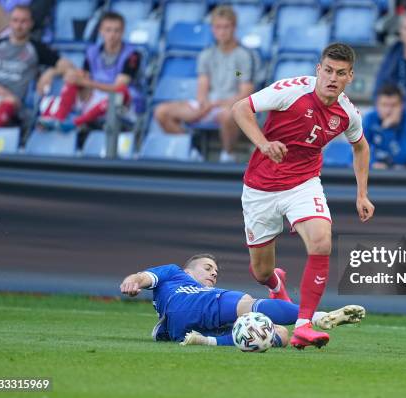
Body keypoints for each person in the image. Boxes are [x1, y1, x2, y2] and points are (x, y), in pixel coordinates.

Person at [231, 43, 375, 349]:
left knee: (322, 241)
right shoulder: (291, 90)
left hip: (303, 183)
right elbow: (240, 108)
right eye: (327, 70)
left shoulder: (347, 112)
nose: (332, 78)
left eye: (340, 73)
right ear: (318, 70)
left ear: (350, 77)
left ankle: (303, 325)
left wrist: (362, 194)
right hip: (260, 187)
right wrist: (263, 143)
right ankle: (276, 283)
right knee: (261, 272)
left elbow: (361, 146)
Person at [119, 253, 366, 347]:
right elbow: (142, 276)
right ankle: (316, 317)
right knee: (247, 303)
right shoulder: (174, 273)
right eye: (207, 268)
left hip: (183, 329)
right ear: (188, 271)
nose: (213, 273)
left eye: (216, 270)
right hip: (199, 306)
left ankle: (206, 342)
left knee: (278, 333)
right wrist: (132, 282)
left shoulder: (209, 289)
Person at [154, 6, 254, 163]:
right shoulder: (206, 55)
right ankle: (192, 150)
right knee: (162, 112)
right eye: (218, 27)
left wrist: (216, 104)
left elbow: (245, 91)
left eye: (226, 27)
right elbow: (203, 84)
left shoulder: (244, 56)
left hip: (229, 105)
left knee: (228, 115)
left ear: (234, 28)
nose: (222, 31)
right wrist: (202, 103)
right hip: (209, 104)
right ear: (212, 29)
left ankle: (227, 155)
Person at [38, 11, 142, 133]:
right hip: (96, 95)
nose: (112, 35)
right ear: (101, 31)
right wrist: (76, 78)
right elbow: (85, 76)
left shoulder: (132, 55)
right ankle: (58, 119)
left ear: (123, 31)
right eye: (108, 30)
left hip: (124, 103)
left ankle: (75, 123)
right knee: (72, 80)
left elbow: (118, 87)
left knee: (120, 92)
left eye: (116, 30)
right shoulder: (92, 51)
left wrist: (88, 83)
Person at [0, 5, 71, 126]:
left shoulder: (36, 48)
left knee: (9, 102)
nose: (19, 25)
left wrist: (50, 73)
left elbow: (67, 65)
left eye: (23, 21)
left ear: (31, 23)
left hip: (11, 102)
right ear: (9, 22)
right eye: (15, 20)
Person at [363, 84, 406, 169]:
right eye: (384, 105)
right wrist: (372, 163)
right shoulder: (369, 119)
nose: (388, 110)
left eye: (394, 105)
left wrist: (387, 130)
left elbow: (404, 158)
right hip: (376, 172)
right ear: (377, 106)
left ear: (402, 106)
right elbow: (357, 152)